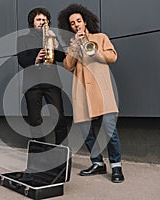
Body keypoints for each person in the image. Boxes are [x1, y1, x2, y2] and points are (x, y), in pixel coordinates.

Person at [58, 4, 124, 183]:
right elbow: (67, 65)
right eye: (72, 23)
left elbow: (112, 57)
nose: (76, 25)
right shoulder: (72, 44)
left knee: (109, 130)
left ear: (85, 21)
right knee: (86, 131)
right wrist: (75, 46)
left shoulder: (100, 38)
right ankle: (97, 163)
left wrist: (90, 47)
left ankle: (116, 166)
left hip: (102, 91)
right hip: (81, 92)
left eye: (78, 21)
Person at [17, 7, 68, 145]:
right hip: (32, 85)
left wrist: (56, 43)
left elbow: (62, 57)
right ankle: (41, 155)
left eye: (44, 20)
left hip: (52, 83)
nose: (41, 22)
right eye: (38, 19)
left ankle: (62, 156)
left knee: (59, 119)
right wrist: (36, 58)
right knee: (35, 122)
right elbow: (22, 60)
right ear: (32, 22)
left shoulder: (52, 37)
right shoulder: (22, 39)